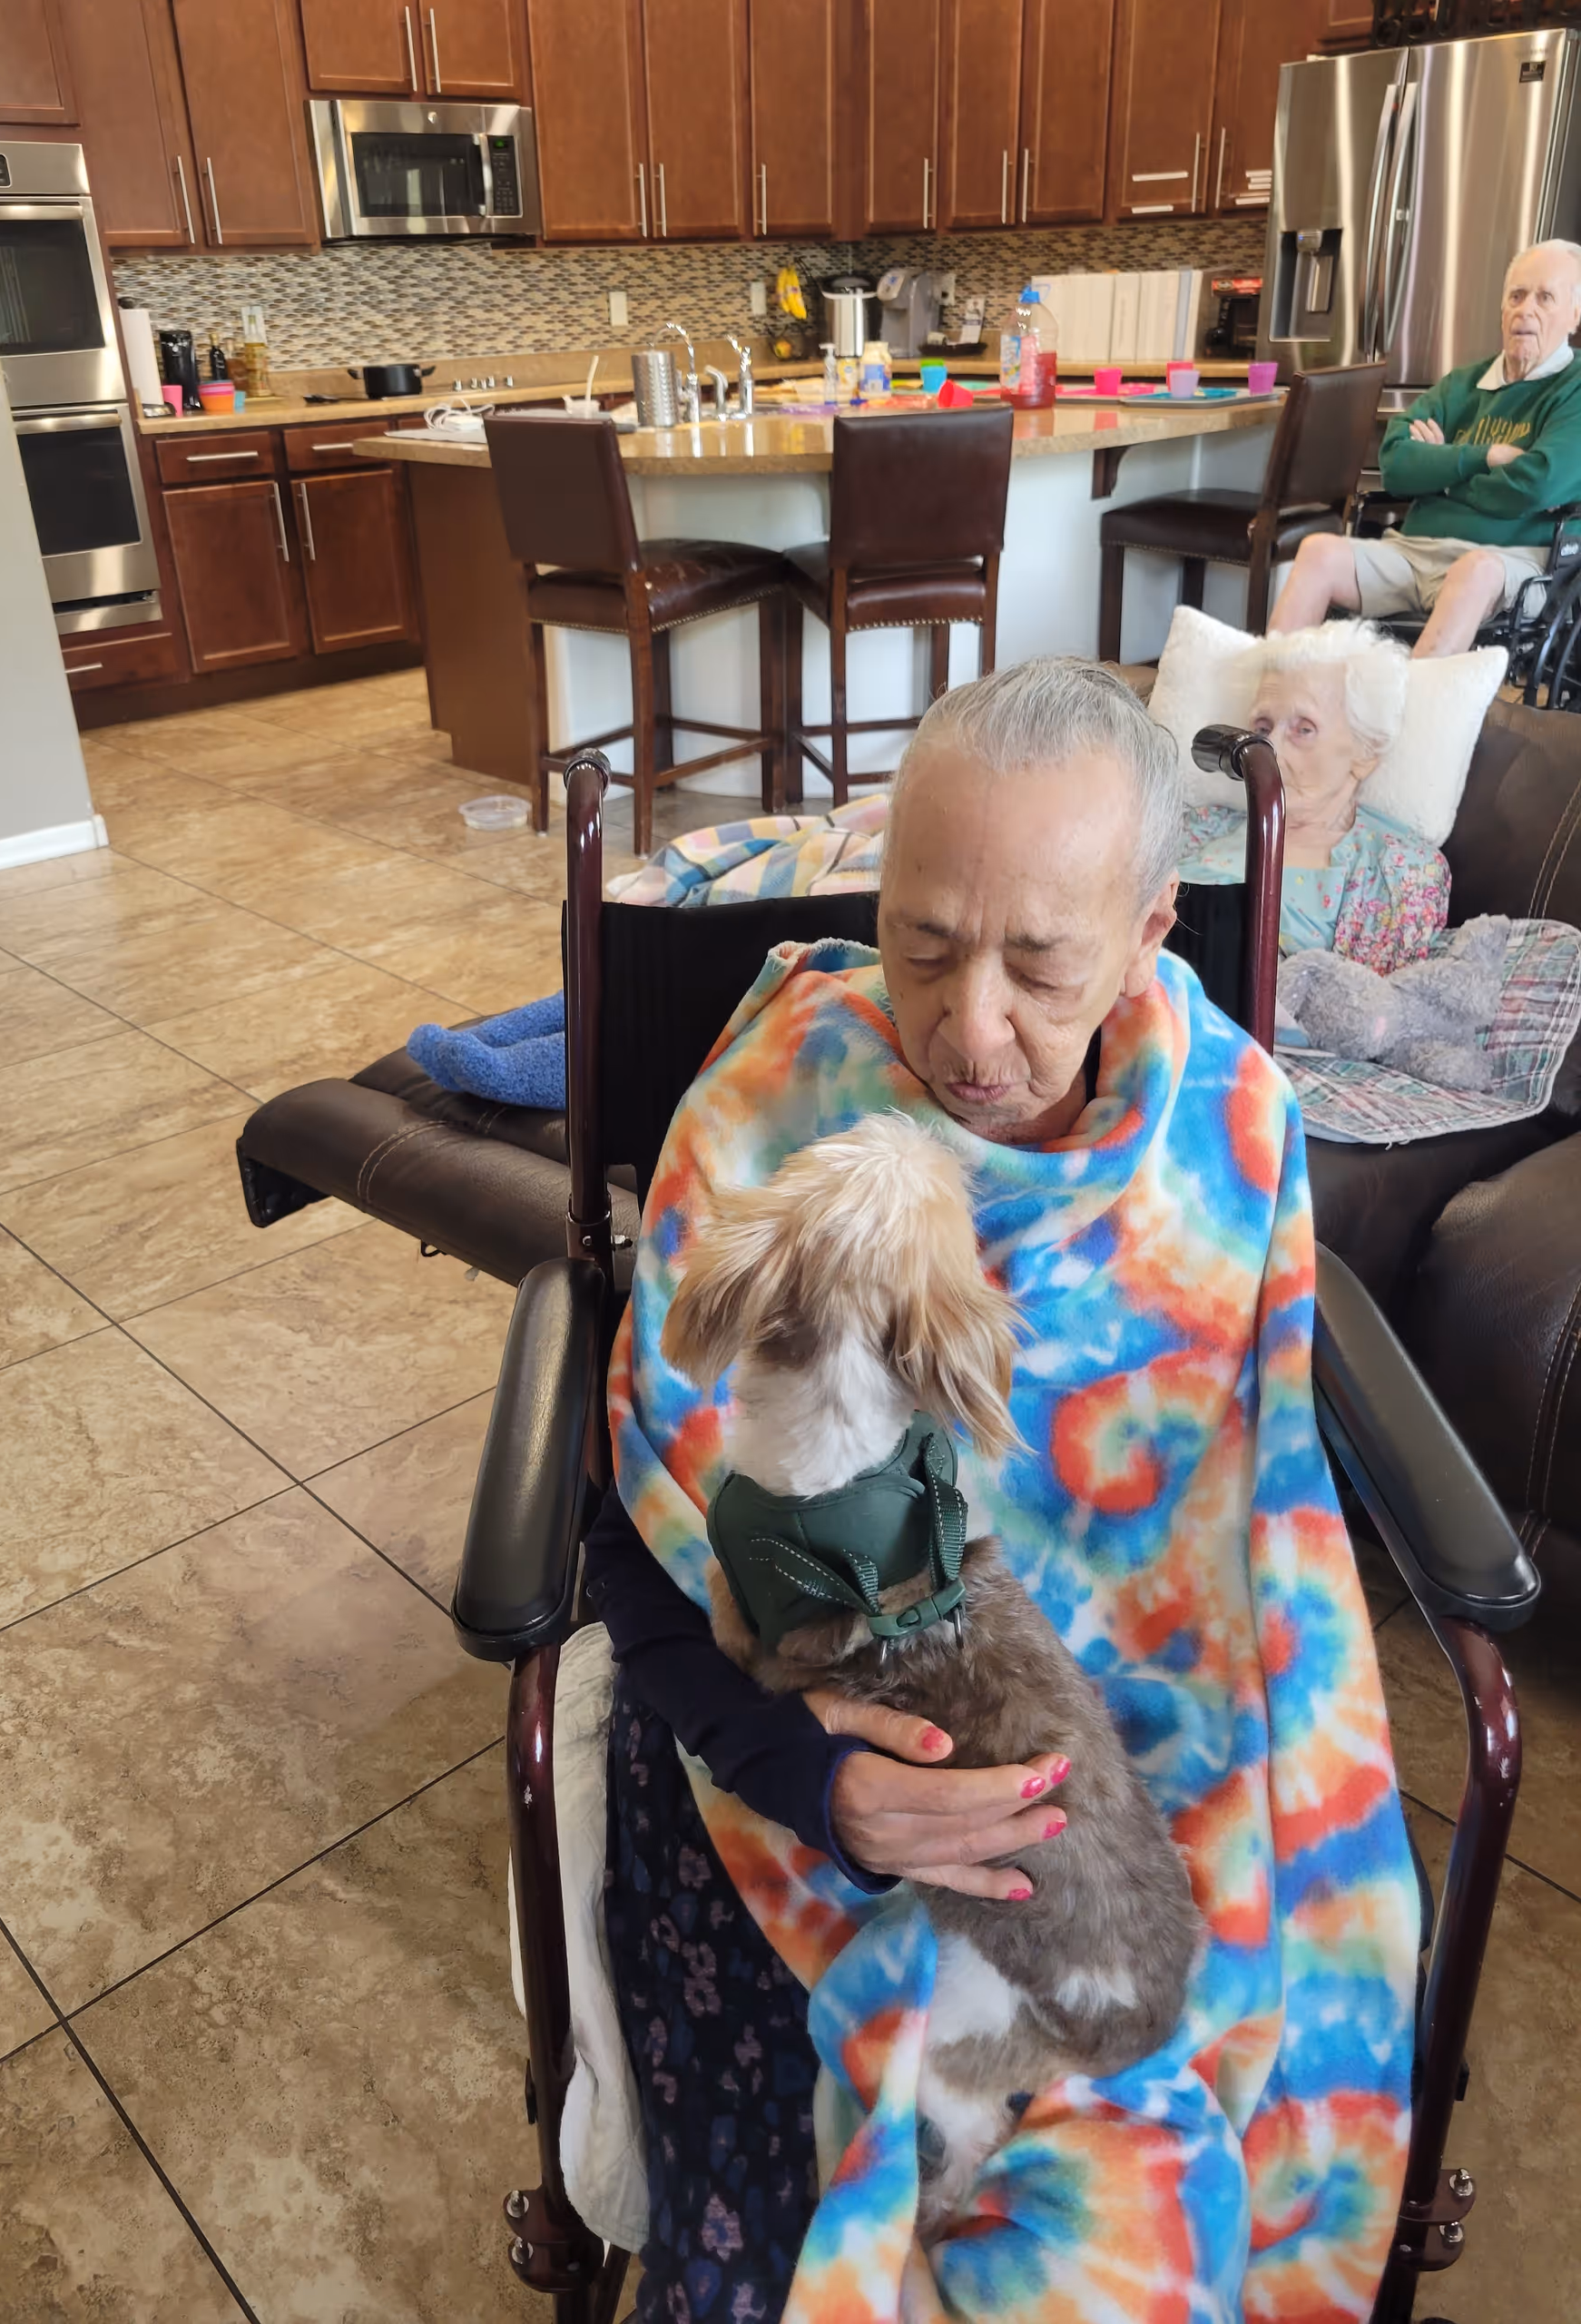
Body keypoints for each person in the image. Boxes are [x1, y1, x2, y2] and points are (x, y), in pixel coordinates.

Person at [584, 657, 1419, 2322]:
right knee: (786, 2231)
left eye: (1041, 965)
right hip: (799, 1769)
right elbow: (633, 1535)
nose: (973, 1031)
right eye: (920, 945)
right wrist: (824, 1790)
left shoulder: (1235, 1131)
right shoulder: (772, 1113)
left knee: (1197, 2146)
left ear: (1150, 926)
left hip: (1155, 1783)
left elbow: (1254, 1529)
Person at [1270, 239, 1581, 656]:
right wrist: (1483, 457)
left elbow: (1538, 482)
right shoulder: (1464, 384)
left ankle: (1414, 716)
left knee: (1474, 572)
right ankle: (1268, 702)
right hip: (1413, 550)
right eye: (1517, 295)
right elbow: (1396, 462)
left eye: (1545, 297)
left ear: (1574, 316)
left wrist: (1442, 477)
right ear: (1502, 308)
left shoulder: (1573, 387)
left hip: (1510, 562)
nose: (1526, 309)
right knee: (1318, 551)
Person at [1181, 618, 1448, 972]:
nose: (1269, 747)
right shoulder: (1203, 826)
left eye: (1303, 729)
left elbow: (1362, 1012)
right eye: (1261, 728)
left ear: (1365, 751)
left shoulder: (1398, 873)